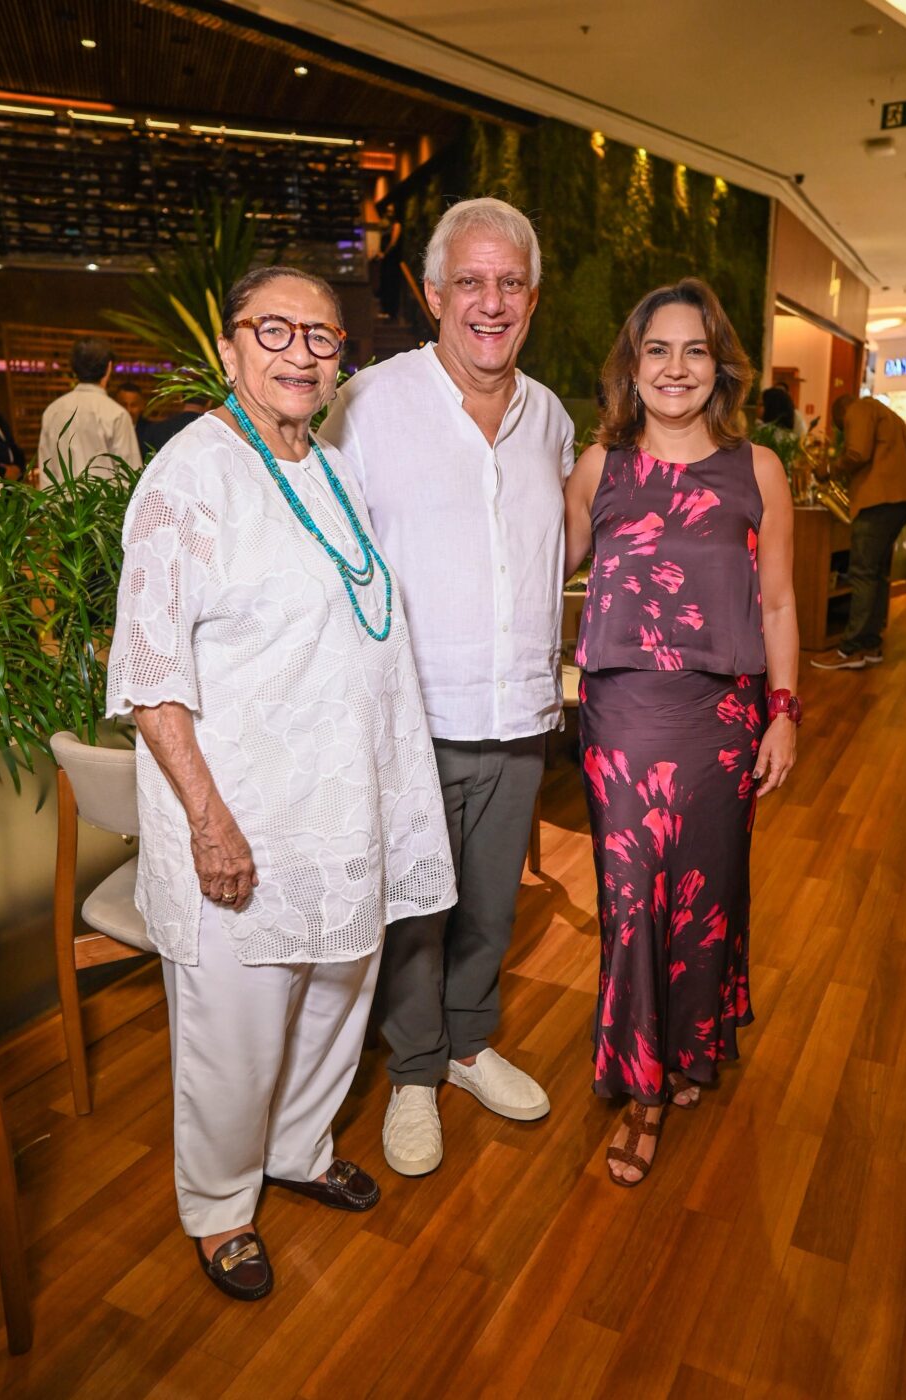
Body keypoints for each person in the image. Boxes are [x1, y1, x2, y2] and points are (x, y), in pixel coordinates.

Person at [106, 266, 456, 1301]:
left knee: (336, 996)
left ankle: (299, 1147)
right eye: (277, 330)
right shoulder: (189, 474)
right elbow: (149, 671)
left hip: (341, 809)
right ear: (229, 345)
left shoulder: (328, 461)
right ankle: (219, 1203)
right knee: (237, 1025)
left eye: (323, 335)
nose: (303, 351)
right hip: (244, 817)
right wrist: (209, 821)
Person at [321, 197, 575, 1176]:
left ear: (533, 298)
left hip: (518, 710)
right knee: (414, 911)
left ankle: (470, 1043)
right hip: (410, 716)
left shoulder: (548, 415)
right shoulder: (368, 405)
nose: (490, 300)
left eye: (509, 281)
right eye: (469, 280)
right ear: (432, 294)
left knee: (489, 905)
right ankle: (416, 1069)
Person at [564, 278, 799, 1185]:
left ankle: (693, 1047)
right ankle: (642, 1081)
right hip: (621, 711)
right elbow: (532, 566)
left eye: (692, 350)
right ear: (631, 365)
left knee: (707, 892)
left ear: (718, 366)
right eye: (655, 350)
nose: (674, 367)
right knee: (632, 899)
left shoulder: (757, 470)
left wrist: (782, 714)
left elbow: (776, 603)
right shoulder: (601, 468)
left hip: (722, 717)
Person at [811, 394, 906, 670]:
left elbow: (857, 452)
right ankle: (871, 644)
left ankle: (851, 649)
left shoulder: (858, 408)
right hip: (898, 502)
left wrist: (829, 470)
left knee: (862, 574)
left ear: (839, 413)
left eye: (841, 427)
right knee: (876, 575)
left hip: (876, 503)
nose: (843, 430)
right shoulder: (889, 415)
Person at [38, 338, 142, 483]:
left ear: (74, 369)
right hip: (106, 505)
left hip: (61, 505)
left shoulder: (53, 411)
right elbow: (129, 474)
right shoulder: (116, 414)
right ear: (109, 368)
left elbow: (46, 474)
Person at [374, 200, 403, 320]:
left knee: (391, 284)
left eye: (391, 211)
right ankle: (385, 309)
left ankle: (391, 312)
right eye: (388, 211)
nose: (389, 213)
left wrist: (384, 254)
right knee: (385, 282)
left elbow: (393, 242)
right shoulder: (385, 225)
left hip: (391, 258)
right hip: (385, 259)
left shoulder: (396, 225)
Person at [0, 409, 25, 484]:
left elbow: (12, 446)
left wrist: (18, 468)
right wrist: (3, 472)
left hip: (13, 478)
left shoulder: (0, 419)